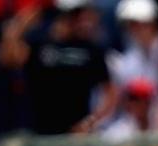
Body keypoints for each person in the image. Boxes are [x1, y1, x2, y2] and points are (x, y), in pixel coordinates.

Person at [23, 0, 109, 134]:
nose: (73, 20)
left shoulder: (90, 48)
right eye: (69, 15)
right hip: (41, 134)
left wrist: (91, 121)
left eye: (76, 15)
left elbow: (110, 91)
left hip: (76, 136)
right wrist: (32, 14)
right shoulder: (39, 45)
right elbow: (9, 54)